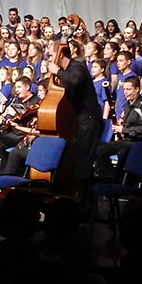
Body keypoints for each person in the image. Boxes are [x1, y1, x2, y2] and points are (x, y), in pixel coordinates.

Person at [44, 39, 104, 195]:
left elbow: (75, 80)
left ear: (59, 55)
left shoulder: (78, 67)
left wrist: (57, 71)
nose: (50, 59)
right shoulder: (66, 73)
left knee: (83, 160)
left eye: (51, 55)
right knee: (75, 159)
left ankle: (84, 199)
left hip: (89, 120)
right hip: (77, 120)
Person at [94, 76, 142, 182]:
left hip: (138, 142)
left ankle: (116, 179)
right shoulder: (127, 105)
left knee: (123, 151)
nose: (125, 93)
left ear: (137, 89)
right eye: (124, 89)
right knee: (99, 149)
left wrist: (123, 130)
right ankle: (109, 177)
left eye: (128, 89)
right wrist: (119, 131)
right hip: (126, 141)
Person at [0, 76, 41, 175]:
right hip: (13, 134)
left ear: (27, 87)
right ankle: (2, 173)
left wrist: (15, 115)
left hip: (25, 136)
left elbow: (33, 122)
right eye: (15, 87)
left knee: (12, 148)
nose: (16, 90)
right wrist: (6, 117)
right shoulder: (16, 101)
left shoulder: (36, 102)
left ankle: (9, 175)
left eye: (19, 87)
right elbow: (10, 116)